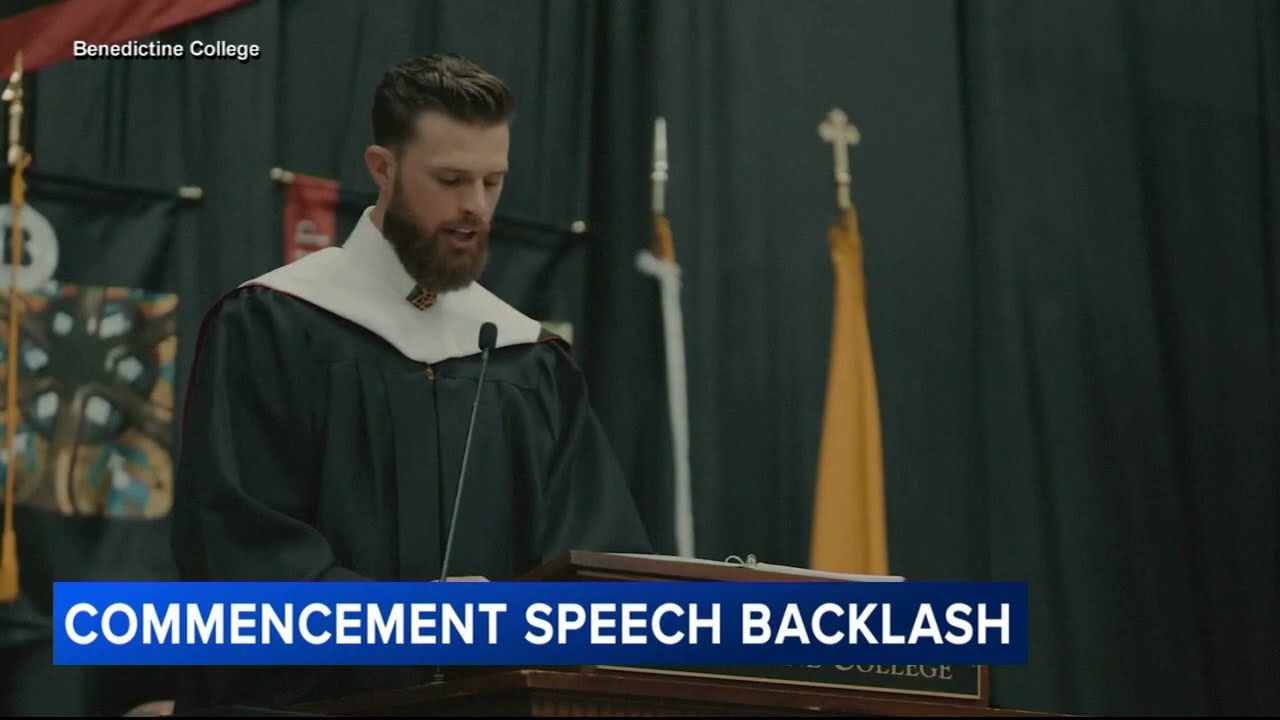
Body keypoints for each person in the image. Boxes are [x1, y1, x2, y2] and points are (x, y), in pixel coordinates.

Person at [169, 53, 654, 713]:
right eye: (450, 179)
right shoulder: (273, 324)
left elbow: (597, 573)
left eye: (492, 181)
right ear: (383, 168)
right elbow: (245, 556)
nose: (474, 206)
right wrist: (423, 627)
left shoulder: (527, 359)